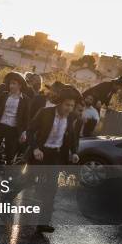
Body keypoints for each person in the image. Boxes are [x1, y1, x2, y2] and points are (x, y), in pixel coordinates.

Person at [26, 86, 82, 234]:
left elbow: (72, 137)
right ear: (60, 103)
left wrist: (74, 152)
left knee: (51, 189)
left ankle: (43, 223)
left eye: (72, 105)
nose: (70, 108)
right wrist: (35, 148)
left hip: (56, 156)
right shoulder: (45, 113)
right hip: (41, 153)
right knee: (27, 180)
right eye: (67, 105)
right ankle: (6, 197)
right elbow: (30, 131)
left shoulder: (71, 118)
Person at [0, 72, 30, 164]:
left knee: (10, 153)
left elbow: (26, 118)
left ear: (20, 85)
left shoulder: (25, 99)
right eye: (10, 83)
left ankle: (6, 174)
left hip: (13, 129)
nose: (11, 86)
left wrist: (24, 132)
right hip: (0, 126)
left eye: (14, 83)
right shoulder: (4, 95)